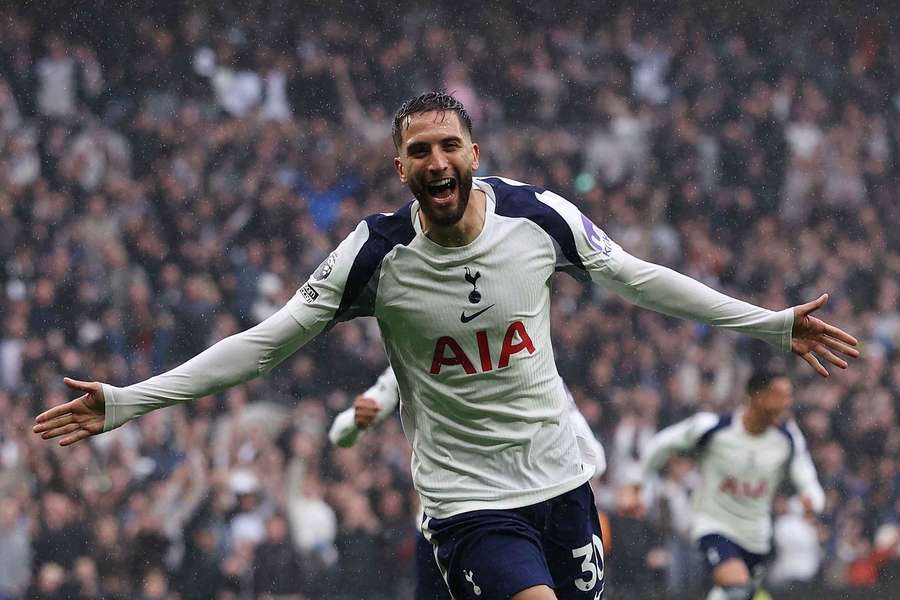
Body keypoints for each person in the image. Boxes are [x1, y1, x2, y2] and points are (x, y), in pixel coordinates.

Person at [34, 91, 858, 600]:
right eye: (419, 150)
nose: (437, 161)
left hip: (561, 480)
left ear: (474, 154)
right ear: (401, 167)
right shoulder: (372, 254)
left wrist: (771, 323)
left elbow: (642, 278)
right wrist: (129, 401)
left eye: (448, 146)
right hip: (466, 501)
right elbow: (265, 344)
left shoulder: (540, 219)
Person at [327, 366, 608, 600]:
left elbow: (596, 457)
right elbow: (343, 431)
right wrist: (356, 421)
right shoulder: (416, 351)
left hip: (527, 519)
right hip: (454, 525)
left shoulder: (529, 361)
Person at [633, 366, 826, 600]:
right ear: (756, 397)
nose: (787, 403)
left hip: (757, 536)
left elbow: (808, 480)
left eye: (789, 396)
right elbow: (661, 445)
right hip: (714, 526)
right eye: (779, 396)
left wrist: (813, 501)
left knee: (735, 594)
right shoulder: (714, 428)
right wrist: (637, 486)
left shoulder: (787, 437)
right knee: (736, 588)